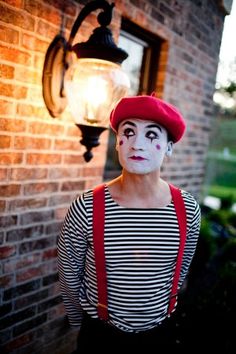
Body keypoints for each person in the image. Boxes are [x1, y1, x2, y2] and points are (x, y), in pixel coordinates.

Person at [57, 93, 201, 352]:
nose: (136, 144)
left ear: (169, 147)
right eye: (129, 132)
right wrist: (80, 324)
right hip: (100, 336)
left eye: (152, 135)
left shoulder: (188, 209)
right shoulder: (86, 207)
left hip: (160, 333)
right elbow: (69, 276)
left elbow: (179, 274)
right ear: (117, 143)